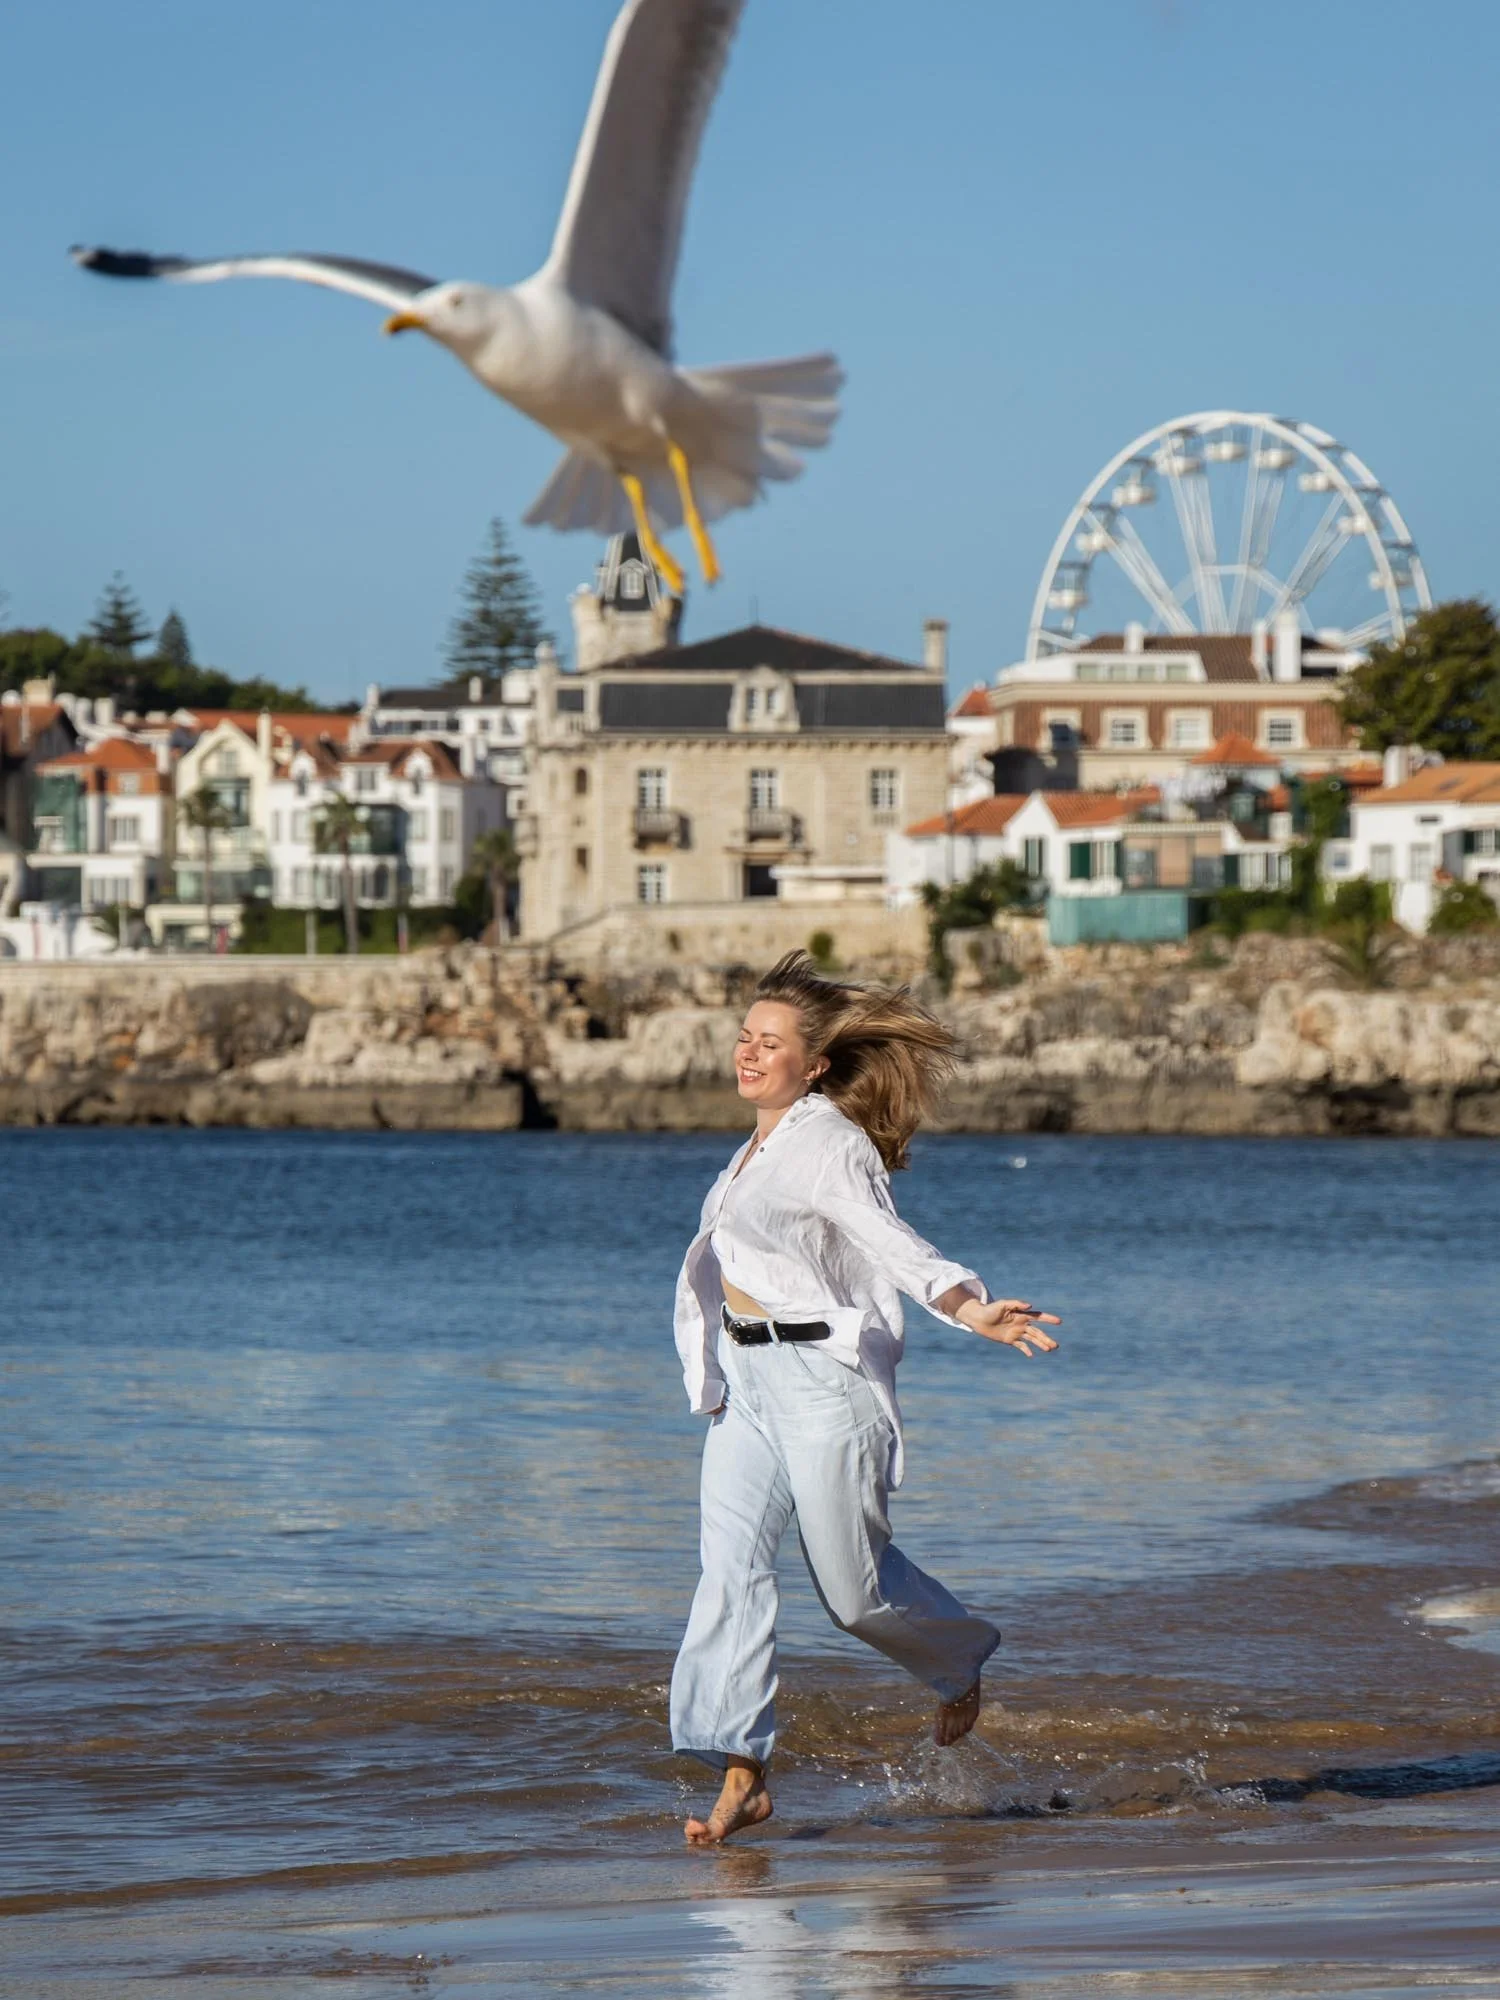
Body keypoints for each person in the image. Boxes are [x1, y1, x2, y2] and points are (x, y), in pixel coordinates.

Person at [670, 951, 1060, 1845]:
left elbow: (893, 1244)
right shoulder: (751, 1149)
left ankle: (957, 1657)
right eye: (744, 1037)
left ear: (814, 1065)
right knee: (727, 1576)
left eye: (770, 1043)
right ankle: (744, 1771)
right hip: (751, 1389)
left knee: (851, 1596)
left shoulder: (831, 1144)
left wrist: (971, 1308)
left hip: (820, 1389)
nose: (749, 1052)